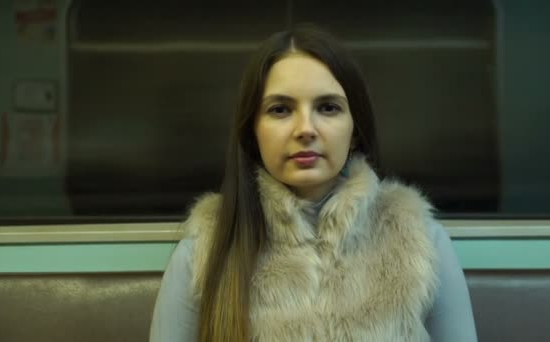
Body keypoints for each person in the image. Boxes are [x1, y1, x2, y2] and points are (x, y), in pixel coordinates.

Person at [149, 24, 478, 342]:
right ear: (253, 131)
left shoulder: (420, 241)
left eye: (328, 108)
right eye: (280, 109)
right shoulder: (204, 250)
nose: (305, 128)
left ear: (354, 132)